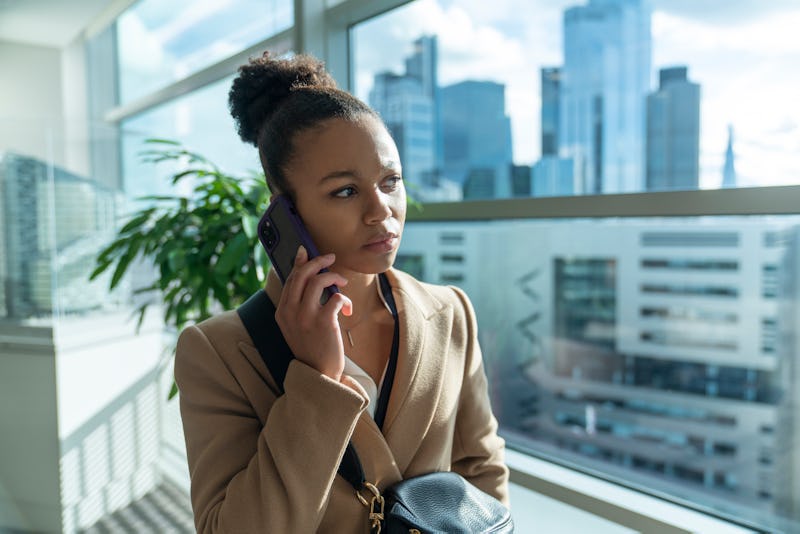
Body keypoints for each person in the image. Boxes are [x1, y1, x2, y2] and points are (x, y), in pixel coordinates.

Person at [175, 51, 509, 533]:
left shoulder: (450, 312)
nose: (383, 212)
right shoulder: (219, 351)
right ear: (284, 213)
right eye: (346, 192)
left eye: (390, 182)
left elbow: (482, 469)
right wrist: (317, 379)